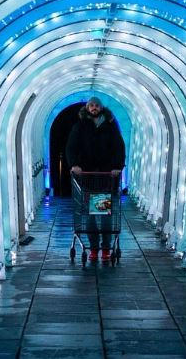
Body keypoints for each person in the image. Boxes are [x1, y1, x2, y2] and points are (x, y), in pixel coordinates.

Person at [66, 96, 126, 262]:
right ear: (87, 107)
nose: (94, 108)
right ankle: (94, 247)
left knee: (104, 212)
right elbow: (71, 147)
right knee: (91, 215)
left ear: (101, 108)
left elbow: (119, 147)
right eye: (91, 105)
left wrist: (117, 167)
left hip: (105, 176)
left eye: (96, 105)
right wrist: (74, 165)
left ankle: (105, 248)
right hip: (87, 176)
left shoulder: (109, 126)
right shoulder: (80, 126)